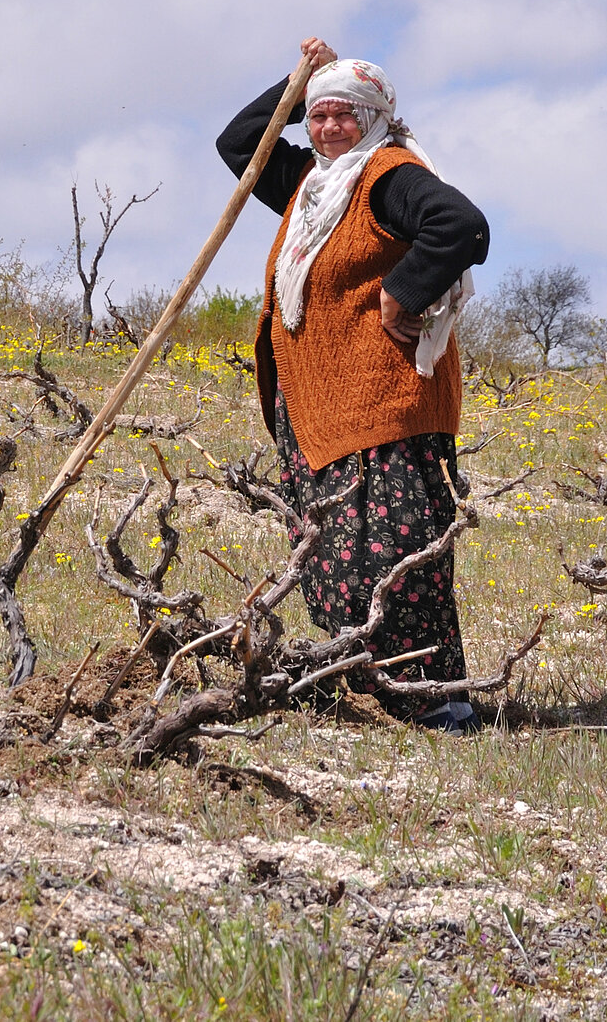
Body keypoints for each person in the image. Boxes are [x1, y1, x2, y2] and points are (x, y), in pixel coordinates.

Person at [216, 37, 490, 731]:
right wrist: (298, 77)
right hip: (321, 409)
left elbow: (459, 224)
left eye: (346, 114)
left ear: (376, 117)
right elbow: (239, 140)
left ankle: (440, 703)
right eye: (318, 115)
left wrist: (402, 291)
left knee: (396, 556)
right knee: (335, 559)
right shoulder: (312, 184)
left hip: (385, 404)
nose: (330, 127)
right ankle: (365, 692)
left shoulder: (386, 175)